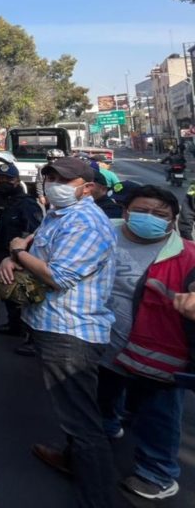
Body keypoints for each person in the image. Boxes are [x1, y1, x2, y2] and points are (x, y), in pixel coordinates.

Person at [0, 157, 119, 508]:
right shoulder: (58, 214)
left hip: (71, 332)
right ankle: (71, 459)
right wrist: (15, 255)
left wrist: (17, 252)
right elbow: (31, 244)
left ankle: (97, 498)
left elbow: (58, 276)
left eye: (63, 179)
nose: (52, 184)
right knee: (72, 410)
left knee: (82, 421)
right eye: (49, 177)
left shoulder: (86, 222)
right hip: (52, 324)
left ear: (88, 187)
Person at [97, 186, 195, 501]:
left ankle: (157, 473)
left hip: (158, 351)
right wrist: (18, 253)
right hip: (104, 343)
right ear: (125, 212)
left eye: (160, 215)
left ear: (172, 221)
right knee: (104, 394)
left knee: (158, 414)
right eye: (142, 211)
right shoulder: (103, 231)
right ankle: (108, 427)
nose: (149, 218)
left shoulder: (187, 255)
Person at [0, 162, 44, 338]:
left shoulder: (27, 203)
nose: (3, 182)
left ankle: (27, 332)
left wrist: (20, 256)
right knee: (3, 290)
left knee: (20, 293)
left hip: (14, 255)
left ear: (17, 181)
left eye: (8, 179)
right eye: (0, 178)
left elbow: (33, 233)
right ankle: (12, 323)